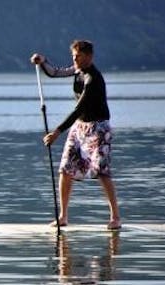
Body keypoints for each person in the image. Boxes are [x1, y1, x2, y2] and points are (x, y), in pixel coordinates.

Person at [30, 40, 121, 230]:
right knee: (65, 169)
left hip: (98, 129)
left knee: (101, 171)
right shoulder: (77, 70)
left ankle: (115, 217)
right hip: (79, 128)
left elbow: (79, 109)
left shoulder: (93, 79)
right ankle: (63, 217)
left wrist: (56, 132)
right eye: (73, 56)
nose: (75, 59)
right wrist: (43, 61)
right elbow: (55, 72)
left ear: (89, 56)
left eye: (78, 56)